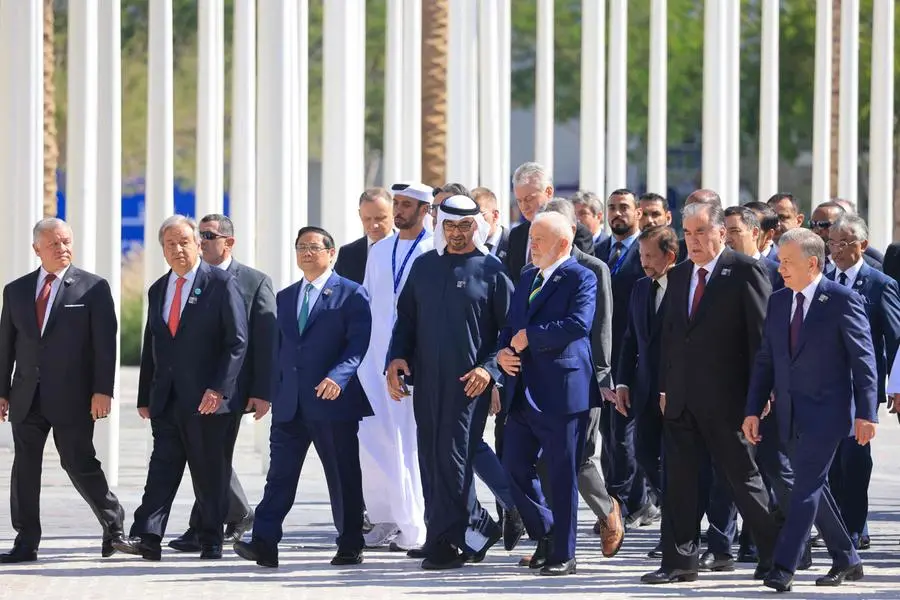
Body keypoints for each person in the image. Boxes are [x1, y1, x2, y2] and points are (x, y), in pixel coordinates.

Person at [642, 201, 779, 585]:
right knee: (680, 484)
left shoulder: (745, 270)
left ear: (721, 231)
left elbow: (761, 339)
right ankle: (679, 562)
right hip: (682, 399)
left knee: (743, 480)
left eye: (701, 232)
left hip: (729, 400)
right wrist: (667, 387)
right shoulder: (682, 274)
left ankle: (774, 558)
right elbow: (672, 335)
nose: (694, 240)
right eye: (688, 233)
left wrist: (760, 396)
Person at [744, 227, 876, 591]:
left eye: (788, 262)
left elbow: (864, 362)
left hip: (827, 414)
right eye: (781, 261)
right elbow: (766, 360)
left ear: (812, 263)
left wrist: (867, 414)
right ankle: (847, 558)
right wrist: (753, 408)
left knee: (804, 487)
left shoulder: (842, 300)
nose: (781, 267)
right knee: (814, 489)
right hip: (787, 412)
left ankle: (783, 566)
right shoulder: (779, 300)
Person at [234, 226, 373, 568]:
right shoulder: (286, 296)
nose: (307, 253)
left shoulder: (352, 294)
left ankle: (351, 542)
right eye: (301, 247)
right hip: (290, 403)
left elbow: (357, 346)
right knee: (279, 475)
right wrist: (266, 394)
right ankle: (264, 542)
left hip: (332, 401)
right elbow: (278, 351)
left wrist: (338, 377)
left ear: (331, 253)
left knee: (342, 476)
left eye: (314, 247)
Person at [385, 196, 511, 569]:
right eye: (451, 227)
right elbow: (405, 320)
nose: (457, 234)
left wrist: (490, 371)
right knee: (431, 457)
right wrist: (396, 358)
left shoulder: (492, 270)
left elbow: (509, 333)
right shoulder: (424, 267)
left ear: (478, 226)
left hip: (469, 384)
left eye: (465, 226)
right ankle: (461, 528)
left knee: (454, 460)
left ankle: (451, 541)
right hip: (427, 382)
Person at [114, 215, 248, 561]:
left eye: (184, 242)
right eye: (170, 244)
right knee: (161, 470)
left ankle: (211, 539)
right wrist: (145, 396)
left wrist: (218, 388)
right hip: (167, 400)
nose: (178, 249)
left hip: (207, 400)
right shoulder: (158, 288)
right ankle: (147, 537)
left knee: (209, 473)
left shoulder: (220, 283)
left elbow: (236, 342)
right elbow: (152, 345)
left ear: (198, 244)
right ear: (162, 249)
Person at [0, 218, 126, 563]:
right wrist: (2, 391)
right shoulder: (16, 291)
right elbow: (5, 347)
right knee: (25, 468)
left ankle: (113, 524)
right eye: (54, 243)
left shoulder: (93, 288)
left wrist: (103, 390)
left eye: (67, 241)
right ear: (37, 248)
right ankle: (26, 541)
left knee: (79, 462)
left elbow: (105, 347)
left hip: (73, 397)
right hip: (27, 396)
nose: (62, 248)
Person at [167, 214, 277, 553]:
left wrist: (261, 392)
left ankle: (211, 523)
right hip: (192, 389)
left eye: (209, 235)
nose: (202, 240)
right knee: (205, 455)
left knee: (212, 456)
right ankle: (219, 518)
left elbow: (264, 340)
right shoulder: (184, 280)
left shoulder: (253, 281)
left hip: (232, 391)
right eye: (199, 234)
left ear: (229, 242)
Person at [496, 211, 599, 576]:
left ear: (563, 243)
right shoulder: (527, 276)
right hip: (522, 388)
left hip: (562, 390)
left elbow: (578, 324)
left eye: (539, 240)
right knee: (512, 465)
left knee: (560, 474)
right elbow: (510, 325)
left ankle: (563, 554)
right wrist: (504, 350)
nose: (532, 245)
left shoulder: (581, 277)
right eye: (532, 239)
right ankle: (547, 531)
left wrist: (530, 337)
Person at [540, 199, 624, 558]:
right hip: (542, 379)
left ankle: (607, 511)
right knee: (549, 458)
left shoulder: (592, 268)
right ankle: (552, 539)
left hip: (584, 377)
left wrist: (603, 377)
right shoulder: (536, 265)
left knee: (580, 456)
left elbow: (600, 326)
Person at [357, 182, 433, 551]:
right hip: (374, 362)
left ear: (425, 210)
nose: (400, 210)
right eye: (397, 203)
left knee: (410, 444)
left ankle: (416, 526)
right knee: (376, 441)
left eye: (407, 205)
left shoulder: (435, 249)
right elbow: (368, 303)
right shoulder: (380, 251)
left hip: (415, 361)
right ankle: (388, 519)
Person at [825, 214, 900, 550]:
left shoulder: (879, 284)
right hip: (824, 382)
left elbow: (896, 337)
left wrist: (896, 384)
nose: (837, 249)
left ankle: (856, 526)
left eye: (845, 243)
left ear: (863, 246)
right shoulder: (822, 278)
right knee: (830, 459)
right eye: (832, 242)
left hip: (861, 385)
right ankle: (839, 523)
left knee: (855, 457)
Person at [614, 225, 679, 559]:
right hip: (643, 393)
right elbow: (629, 340)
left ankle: (677, 528)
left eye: (650, 256)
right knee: (643, 454)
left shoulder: (686, 285)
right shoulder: (641, 288)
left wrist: (673, 387)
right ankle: (677, 514)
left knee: (676, 462)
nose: (644, 262)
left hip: (679, 394)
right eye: (640, 255)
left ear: (670, 254)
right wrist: (622, 383)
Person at [594, 188, 657, 527]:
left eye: (624, 208)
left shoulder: (644, 252)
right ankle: (616, 502)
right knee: (607, 433)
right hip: (603, 356)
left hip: (634, 355)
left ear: (637, 213)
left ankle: (634, 501)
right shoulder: (600, 250)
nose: (617, 213)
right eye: (612, 208)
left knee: (625, 435)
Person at [334, 188, 394, 285]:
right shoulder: (347, 254)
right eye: (367, 219)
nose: (374, 225)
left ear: (393, 213)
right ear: (360, 215)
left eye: (380, 218)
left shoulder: (407, 249)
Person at [473, 186, 510, 262]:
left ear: (495, 215)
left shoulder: (513, 242)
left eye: (479, 215)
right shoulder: (468, 244)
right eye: (471, 216)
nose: (475, 221)